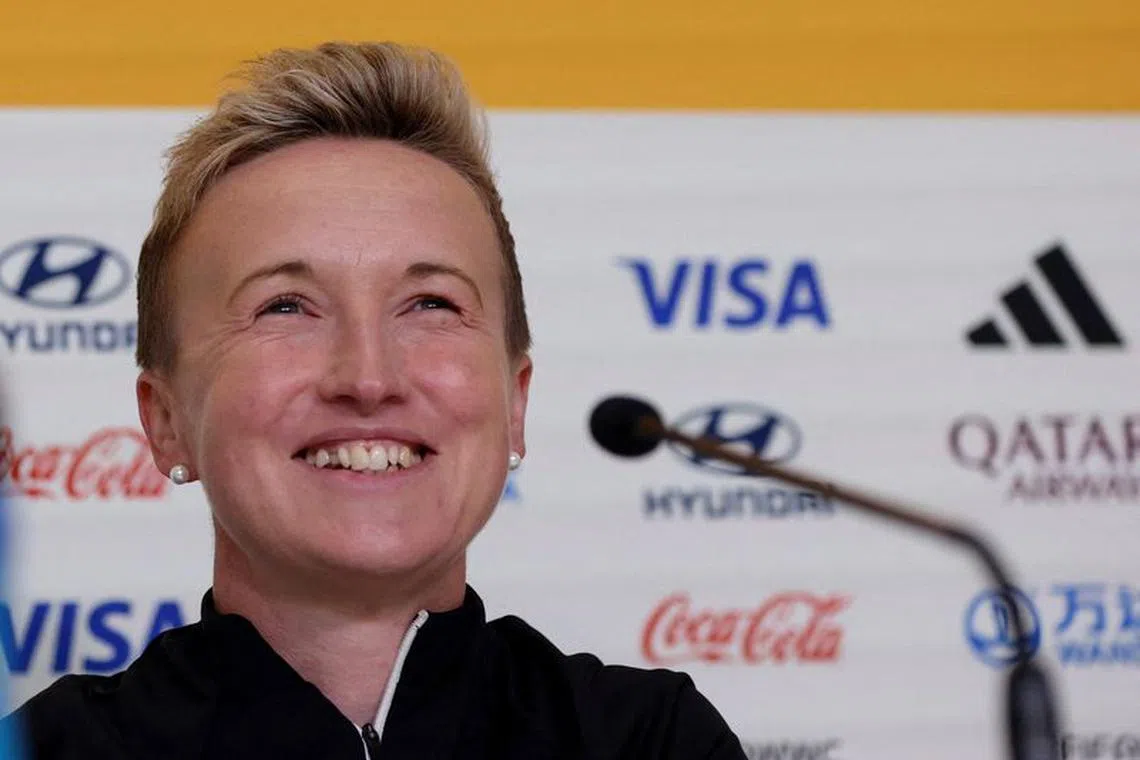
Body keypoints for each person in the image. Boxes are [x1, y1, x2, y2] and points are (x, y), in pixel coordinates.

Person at [6, 42, 747, 759]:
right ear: (165, 422)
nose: (367, 376)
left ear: (515, 402)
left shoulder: (651, 740)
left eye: (430, 303)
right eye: (286, 307)